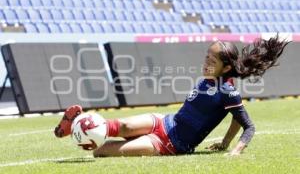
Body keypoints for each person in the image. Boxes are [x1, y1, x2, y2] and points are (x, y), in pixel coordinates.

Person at [54, 35, 290, 157]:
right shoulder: (208, 79)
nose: (205, 62)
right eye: (206, 56)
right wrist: (225, 140)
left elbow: (247, 124)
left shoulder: (228, 92)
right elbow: (235, 117)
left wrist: (234, 149)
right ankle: (76, 122)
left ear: (226, 67)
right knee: (122, 125)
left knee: (102, 151)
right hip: (165, 121)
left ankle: (83, 130)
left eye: (212, 60)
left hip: (171, 143)